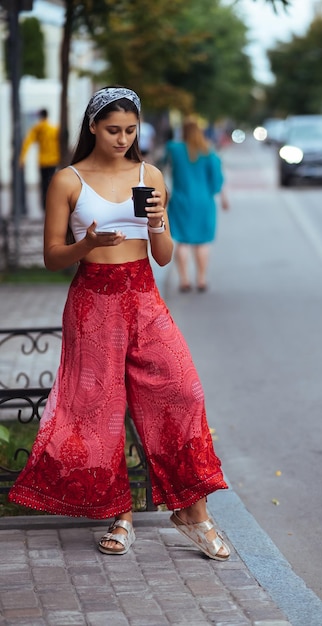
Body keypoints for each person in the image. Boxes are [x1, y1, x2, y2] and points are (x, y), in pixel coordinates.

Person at [8, 86, 230, 561]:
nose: (123, 138)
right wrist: (87, 243)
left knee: (184, 390)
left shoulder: (149, 174)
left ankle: (192, 510)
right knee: (103, 410)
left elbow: (165, 257)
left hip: (144, 296)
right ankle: (120, 515)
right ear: (92, 127)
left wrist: (156, 223)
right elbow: (51, 258)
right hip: (93, 301)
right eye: (113, 130)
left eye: (130, 130)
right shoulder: (68, 181)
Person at [166, 119, 229, 292]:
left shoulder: (174, 149)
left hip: (180, 200)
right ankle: (201, 279)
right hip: (204, 201)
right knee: (202, 243)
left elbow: (161, 166)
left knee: (183, 242)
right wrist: (222, 196)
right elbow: (217, 180)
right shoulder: (208, 151)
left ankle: (184, 280)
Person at [19, 108, 60, 211]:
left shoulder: (37, 128)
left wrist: (22, 158)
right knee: (51, 183)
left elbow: (27, 142)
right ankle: (50, 205)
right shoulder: (54, 129)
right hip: (53, 160)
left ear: (40, 116)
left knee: (43, 185)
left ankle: (44, 206)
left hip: (42, 161)